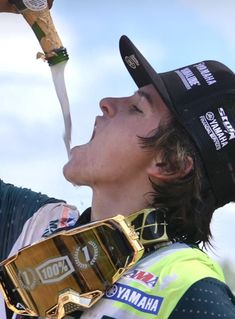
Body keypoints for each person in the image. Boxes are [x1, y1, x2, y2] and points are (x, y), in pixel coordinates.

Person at [0, 2, 235, 319]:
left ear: (171, 164)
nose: (107, 102)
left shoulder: (187, 289)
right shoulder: (40, 226)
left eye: (138, 107)